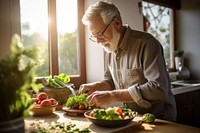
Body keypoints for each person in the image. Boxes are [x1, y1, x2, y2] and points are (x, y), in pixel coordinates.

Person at [79, 0, 176, 121]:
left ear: (117, 23)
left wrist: (112, 96)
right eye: (94, 36)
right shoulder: (109, 47)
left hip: (160, 119)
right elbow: (113, 81)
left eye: (100, 34)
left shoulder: (147, 44)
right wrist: (97, 86)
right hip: (134, 118)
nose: (98, 41)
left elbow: (158, 89)